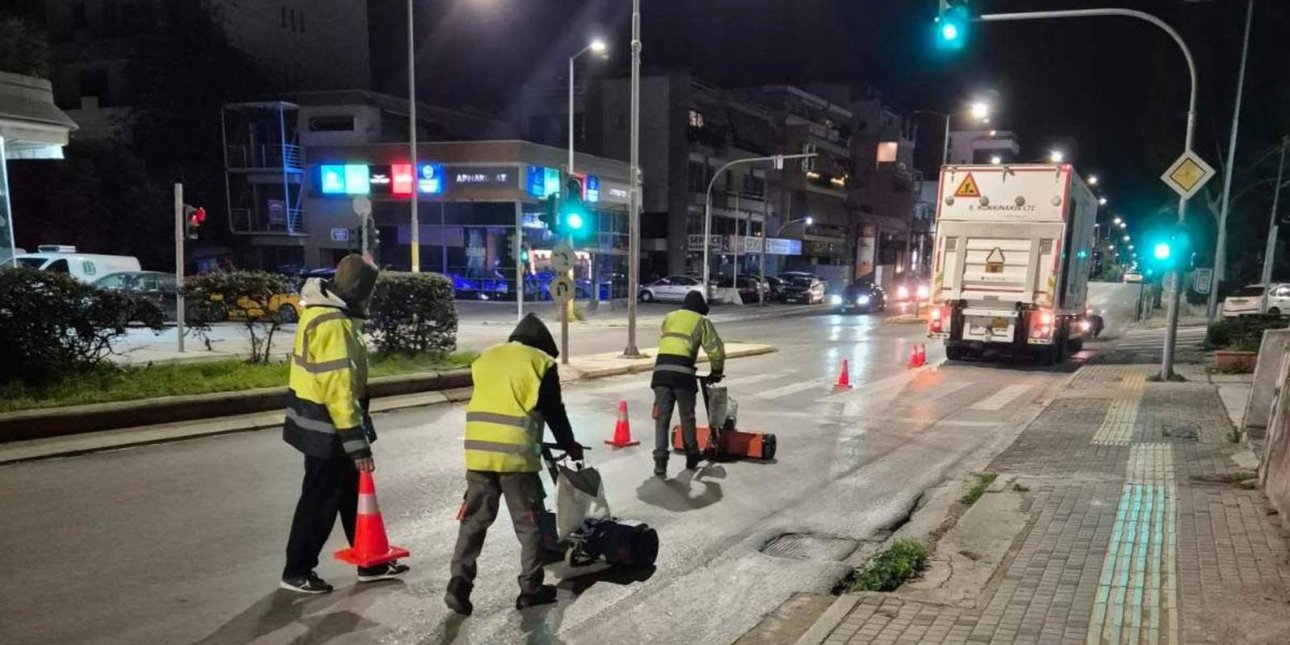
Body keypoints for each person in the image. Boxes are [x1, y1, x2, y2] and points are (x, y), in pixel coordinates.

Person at [280, 254, 408, 594]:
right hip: (329, 427)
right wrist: (357, 443)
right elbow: (339, 389)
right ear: (360, 288)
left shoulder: (320, 312)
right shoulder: (334, 324)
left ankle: (370, 561)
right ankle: (297, 570)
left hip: (318, 421)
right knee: (320, 500)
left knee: (352, 495)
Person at [445, 313, 584, 615]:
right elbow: (554, 411)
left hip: (478, 452)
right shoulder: (540, 363)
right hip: (515, 456)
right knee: (529, 524)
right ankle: (531, 589)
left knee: (473, 522)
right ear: (542, 346)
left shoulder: (486, 358)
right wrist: (570, 445)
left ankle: (458, 584)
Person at [651, 291, 725, 478]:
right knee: (687, 416)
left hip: (660, 373)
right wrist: (716, 372)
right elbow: (715, 350)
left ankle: (660, 462)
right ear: (700, 308)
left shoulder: (669, 317)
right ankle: (692, 455)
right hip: (683, 375)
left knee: (662, 419)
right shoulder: (701, 321)